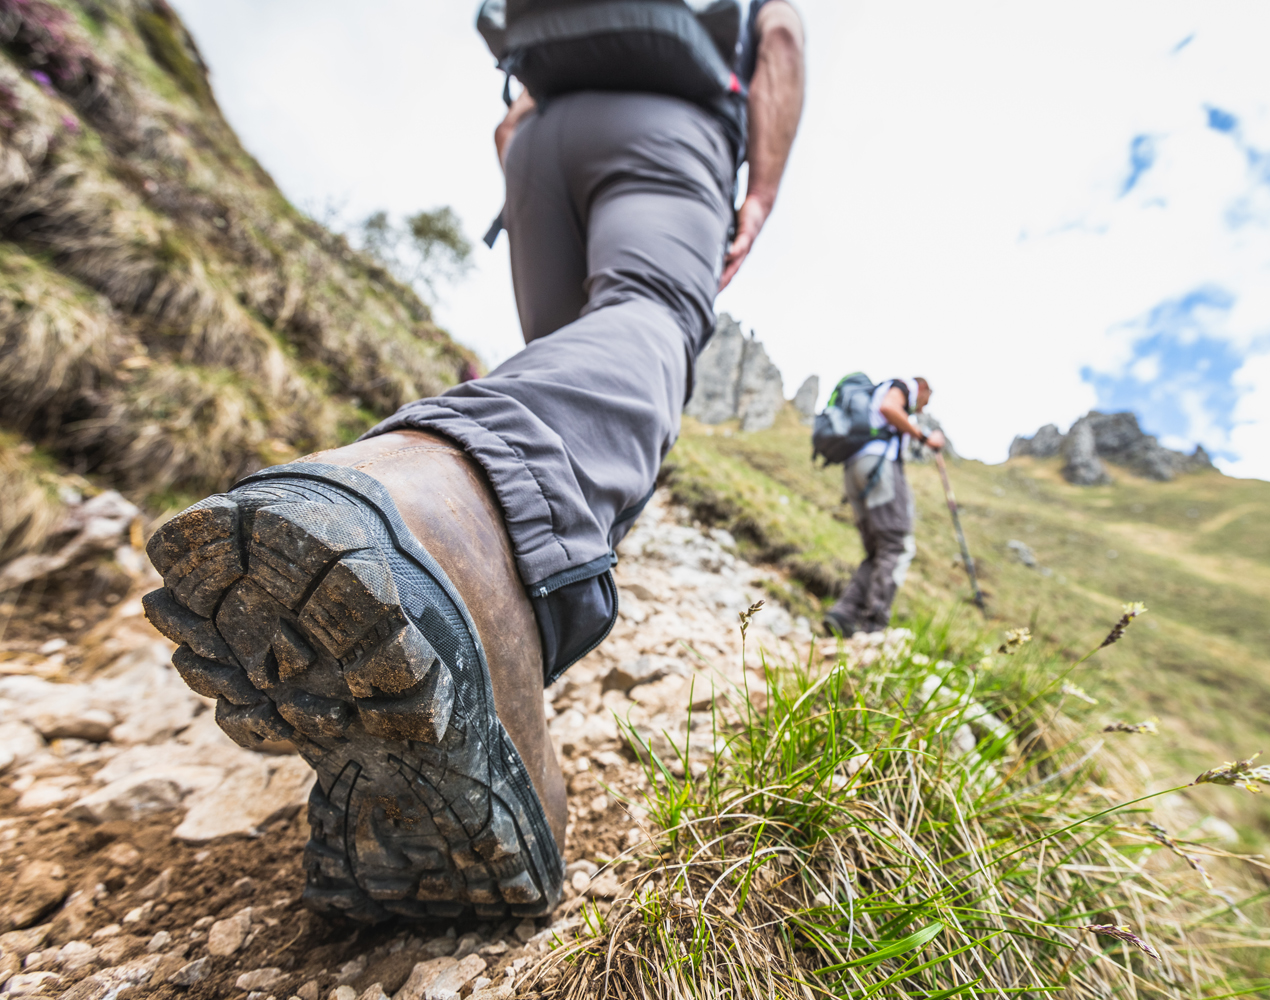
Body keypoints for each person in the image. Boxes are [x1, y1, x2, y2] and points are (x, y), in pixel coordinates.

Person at [140, 1, 805, 923]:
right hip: (668, 124)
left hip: (537, 141)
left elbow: (510, 113)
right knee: (648, 316)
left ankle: (473, 660)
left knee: (572, 350)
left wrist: (529, 148)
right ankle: (440, 519)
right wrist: (759, 187)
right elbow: (779, 35)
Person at [824, 378, 944, 637]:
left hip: (854, 470)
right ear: (922, 388)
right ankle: (873, 627)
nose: (923, 407)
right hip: (879, 467)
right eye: (926, 400)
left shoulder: (875, 394)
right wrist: (924, 437)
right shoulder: (903, 387)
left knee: (877, 550)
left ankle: (844, 614)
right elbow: (889, 409)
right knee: (896, 544)